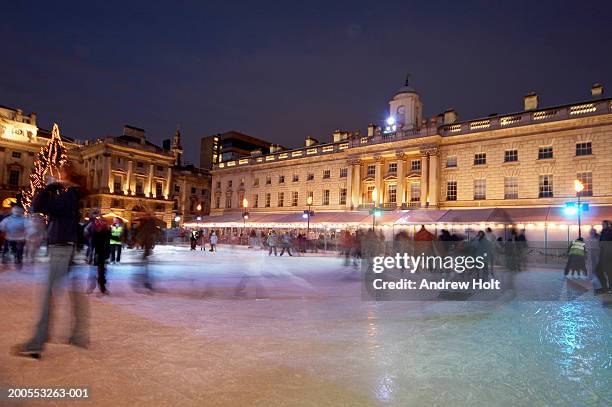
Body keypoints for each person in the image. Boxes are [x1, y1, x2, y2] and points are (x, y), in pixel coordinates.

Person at [13, 165, 89, 359]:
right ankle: (79, 336)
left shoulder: (67, 197)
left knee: (48, 294)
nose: (58, 177)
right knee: (75, 292)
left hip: (61, 248)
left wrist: (48, 188)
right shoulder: (73, 197)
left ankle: (37, 343)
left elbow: (36, 206)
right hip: (69, 247)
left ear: (67, 177)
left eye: (61, 174)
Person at [85, 210, 111, 294]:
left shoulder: (105, 228)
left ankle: (102, 287)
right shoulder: (91, 226)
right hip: (94, 251)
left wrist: (107, 253)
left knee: (102, 270)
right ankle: (91, 286)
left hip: (101, 252)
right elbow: (86, 234)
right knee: (93, 270)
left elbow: (107, 241)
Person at [595, 220, 612, 294]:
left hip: (608, 253)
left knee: (609, 272)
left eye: (604, 224)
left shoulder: (609, 232)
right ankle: (605, 287)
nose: (602, 225)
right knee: (598, 270)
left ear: (608, 225)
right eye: (602, 224)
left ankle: (610, 287)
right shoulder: (603, 232)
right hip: (603, 253)